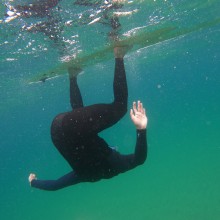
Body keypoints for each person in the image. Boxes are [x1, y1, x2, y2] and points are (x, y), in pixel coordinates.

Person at [28, 46, 148, 191]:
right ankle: (72, 75)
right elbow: (54, 185)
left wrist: (141, 129)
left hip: (72, 127)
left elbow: (139, 160)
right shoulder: (83, 176)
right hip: (56, 130)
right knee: (79, 122)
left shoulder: (116, 165)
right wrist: (33, 181)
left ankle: (119, 54)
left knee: (120, 108)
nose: (115, 149)